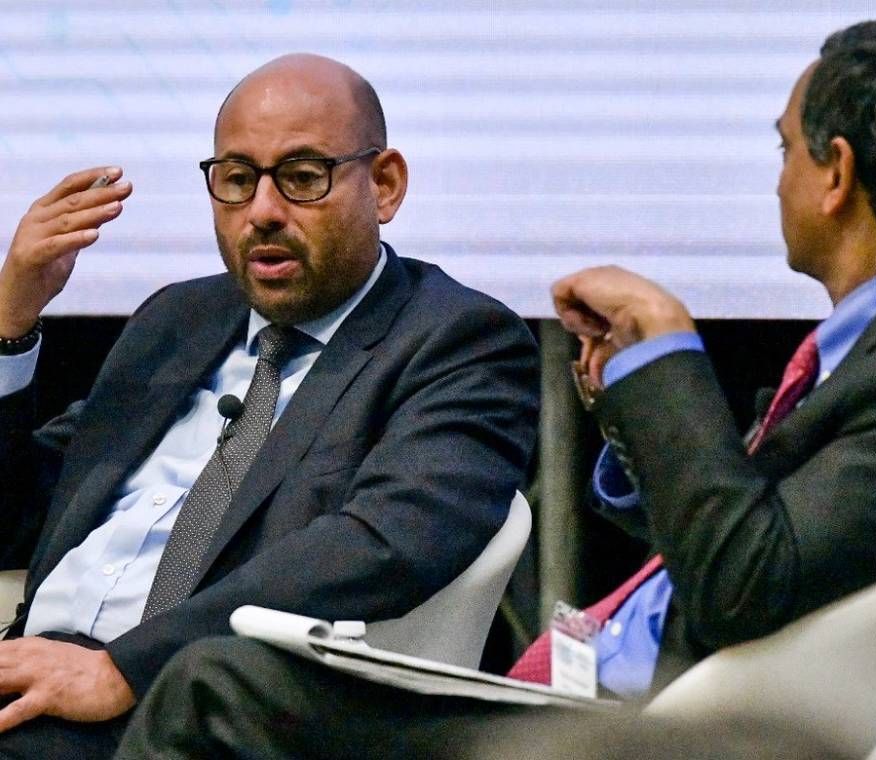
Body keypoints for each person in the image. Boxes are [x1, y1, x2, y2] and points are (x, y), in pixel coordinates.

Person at [113, 18, 876, 759]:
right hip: (593, 696)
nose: (776, 183)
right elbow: (738, 539)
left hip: (653, 729)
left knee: (213, 688)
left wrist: (667, 356)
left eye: (784, 151)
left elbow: (743, 581)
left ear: (834, 174)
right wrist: (632, 414)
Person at [0, 54, 539, 757]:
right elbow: (17, 515)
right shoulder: (176, 320)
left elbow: (383, 545)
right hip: (34, 679)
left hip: (190, 709)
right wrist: (11, 323)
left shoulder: (459, 343)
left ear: (384, 184)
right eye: (237, 179)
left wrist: (126, 666)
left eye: (302, 178)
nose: (262, 212)